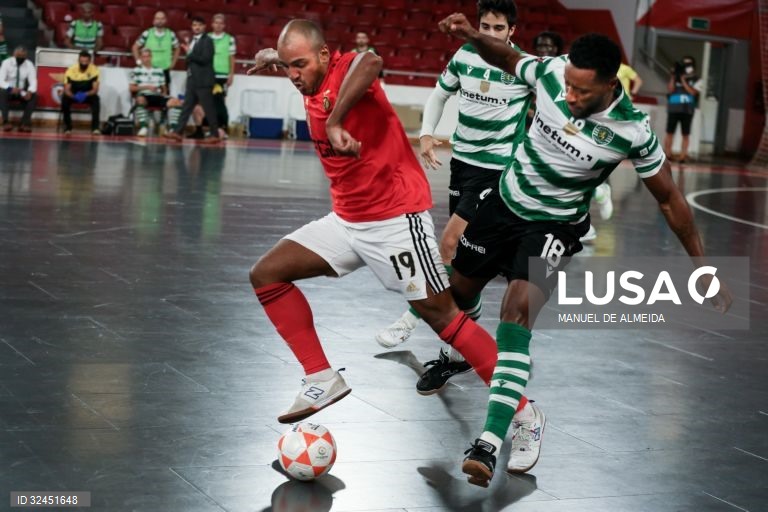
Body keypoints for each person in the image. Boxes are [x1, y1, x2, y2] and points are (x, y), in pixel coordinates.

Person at [438, 14, 732, 487]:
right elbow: (509, 57)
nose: (569, 97)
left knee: (515, 317)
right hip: (504, 205)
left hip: (555, 227)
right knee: (456, 298)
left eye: (581, 93)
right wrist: (471, 36)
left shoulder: (634, 131)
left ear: (610, 85)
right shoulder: (553, 73)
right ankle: (464, 353)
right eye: (568, 88)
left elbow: (670, 199)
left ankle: (493, 439)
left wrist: (703, 267)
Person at [246, 19, 506, 430]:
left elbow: (370, 60)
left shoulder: (350, 71)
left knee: (444, 318)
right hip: (348, 221)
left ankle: (522, 411)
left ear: (325, 56)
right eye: (287, 67)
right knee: (267, 275)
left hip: (395, 220)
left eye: (300, 65)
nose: (295, 76)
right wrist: (273, 59)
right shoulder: (306, 77)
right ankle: (321, 376)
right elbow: (294, 65)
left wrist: (335, 122)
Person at [375, 1, 544, 475]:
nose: (489, 33)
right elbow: (439, 94)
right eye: (484, 25)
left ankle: (410, 320)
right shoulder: (465, 56)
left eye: (497, 28)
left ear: (512, 31)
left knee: (448, 244)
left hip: (499, 169)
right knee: (465, 274)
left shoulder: (522, 68)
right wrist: (428, 134)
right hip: (464, 164)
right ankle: (457, 351)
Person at [163, 17, 219, 143]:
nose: (197, 27)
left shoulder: (208, 40)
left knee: (208, 108)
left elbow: (206, 59)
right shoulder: (194, 41)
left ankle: (215, 134)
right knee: (186, 107)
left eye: (199, 25)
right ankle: (178, 132)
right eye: (194, 25)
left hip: (204, 80)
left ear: (204, 26)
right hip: (193, 79)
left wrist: (189, 52)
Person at [191, 13, 235, 139]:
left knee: (219, 103)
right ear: (212, 24)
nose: (218, 25)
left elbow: (231, 57)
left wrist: (231, 74)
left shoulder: (229, 39)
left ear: (224, 25)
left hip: (221, 75)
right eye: (216, 22)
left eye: (221, 23)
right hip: (206, 74)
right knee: (202, 102)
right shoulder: (206, 37)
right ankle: (202, 129)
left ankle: (222, 129)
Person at [130, 48, 184, 137]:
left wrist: (165, 94)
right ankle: (144, 127)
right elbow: (132, 88)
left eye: (148, 56)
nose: (146, 59)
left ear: (151, 57)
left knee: (176, 102)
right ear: (140, 58)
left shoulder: (159, 70)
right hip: (144, 95)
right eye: (144, 57)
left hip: (157, 95)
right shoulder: (136, 70)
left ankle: (173, 129)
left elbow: (164, 88)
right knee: (140, 100)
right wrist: (147, 87)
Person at [663, 56, 702, 163]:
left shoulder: (697, 79)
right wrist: (673, 76)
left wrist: (684, 80)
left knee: (685, 133)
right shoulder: (675, 77)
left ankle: (682, 156)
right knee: (669, 132)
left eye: (688, 64)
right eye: (684, 64)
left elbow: (693, 92)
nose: (686, 66)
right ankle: (667, 154)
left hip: (687, 109)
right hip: (673, 108)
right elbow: (670, 90)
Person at [132, 11, 180, 90]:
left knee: (165, 97)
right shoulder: (147, 33)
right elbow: (135, 47)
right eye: (157, 18)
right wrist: (139, 61)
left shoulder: (171, 34)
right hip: (149, 70)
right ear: (153, 20)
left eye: (162, 18)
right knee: (148, 95)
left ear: (166, 20)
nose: (160, 21)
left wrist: (173, 63)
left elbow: (177, 48)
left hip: (164, 69)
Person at [62, 50, 100, 135]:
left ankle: (95, 128)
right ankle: (68, 128)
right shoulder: (70, 70)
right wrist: (73, 96)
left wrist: (85, 94)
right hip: (74, 94)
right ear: (78, 60)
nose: (83, 63)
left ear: (89, 61)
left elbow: (95, 90)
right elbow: (67, 89)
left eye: (86, 61)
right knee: (65, 100)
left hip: (87, 94)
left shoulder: (94, 70)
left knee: (96, 99)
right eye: (82, 61)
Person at [0, 46, 38, 132]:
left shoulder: (29, 64)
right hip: (8, 90)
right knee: (2, 93)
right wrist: (10, 88)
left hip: (21, 91)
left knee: (34, 96)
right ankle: (6, 122)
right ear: (14, 54)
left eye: (23, 56)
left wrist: (30, 91)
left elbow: (33, 80)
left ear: (26, 56)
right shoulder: (6, 63)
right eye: (19, 55)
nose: (20, 58)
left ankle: (24, 123)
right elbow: (0, 80)